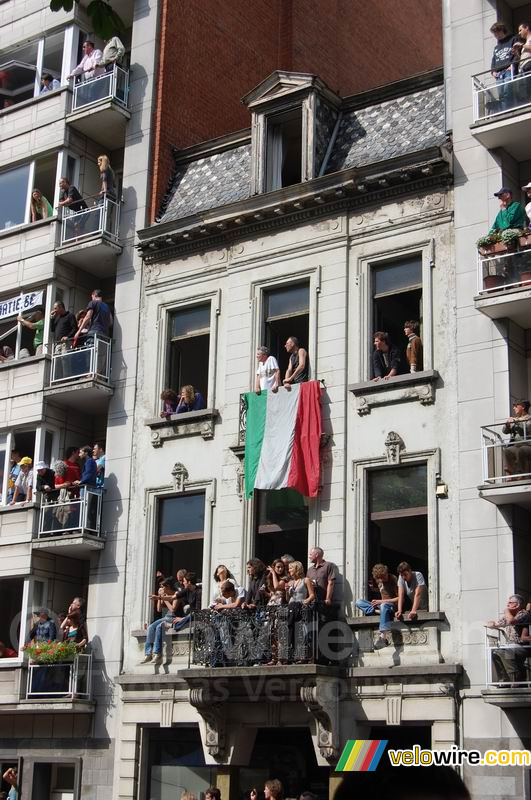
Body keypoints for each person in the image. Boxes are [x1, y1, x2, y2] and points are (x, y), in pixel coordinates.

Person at [487, 594, 531, 684]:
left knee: (505, 651)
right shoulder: (509, 615)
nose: (508, 605)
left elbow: (512, 621)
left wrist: (506, 611)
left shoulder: (523, 614)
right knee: (495, 652)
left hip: (523, 645)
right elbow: (497, 623)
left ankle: (515, 678)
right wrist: (491, 623)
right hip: (512, 646)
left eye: (510, 603)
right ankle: (505, 678)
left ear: (517, 605)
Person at [356, 563, 398, 649]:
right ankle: (378, 611)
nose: (383, 579)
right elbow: (383, 591)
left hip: (391, 606)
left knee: (383, 606)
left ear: (386, 572)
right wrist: (373, 589)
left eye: (384, 576)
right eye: (381, 578)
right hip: (381, 605)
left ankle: (383, 637)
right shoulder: (379, 581)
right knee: (358, 602)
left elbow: (399, 598)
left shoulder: (393, 579)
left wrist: (380, 601)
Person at [142, 578, 179, 664]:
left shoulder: (176, 594)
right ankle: (148, 654)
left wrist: (163, 598)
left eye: (163, 587)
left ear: (168, 586)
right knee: (151, 627)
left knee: (159, 626)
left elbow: (173, 609)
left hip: (173, 617)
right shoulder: (165, 595)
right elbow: (159, 609)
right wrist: (160, 598)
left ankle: (157, 653)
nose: (161, 589)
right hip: (167, 617)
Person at [490, 22, 519, 111]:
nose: (495, 35)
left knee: (507, 90)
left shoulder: (513, 40)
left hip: (508, 70)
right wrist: (493, 71)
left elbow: (517, 54)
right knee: (501, 93)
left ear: (502, 30)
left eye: (496, 32)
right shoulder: (496, 47)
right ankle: (504, 111)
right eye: (494, 33)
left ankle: (510, 109)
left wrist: (513, 65)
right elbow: (494, 59)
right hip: (499, 73)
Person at [502, 399, 531, 477]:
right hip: (516, 445)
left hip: (528, 445)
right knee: (507, 451)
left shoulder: (529, 418)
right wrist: (507, 424)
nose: (514, 408)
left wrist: (516, 422)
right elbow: (504, 431)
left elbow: (528, 428)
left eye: (515, 406)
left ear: (523, 407)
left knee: (521, 450)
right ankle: (511, 474)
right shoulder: (515, 419)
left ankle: (523, 474)